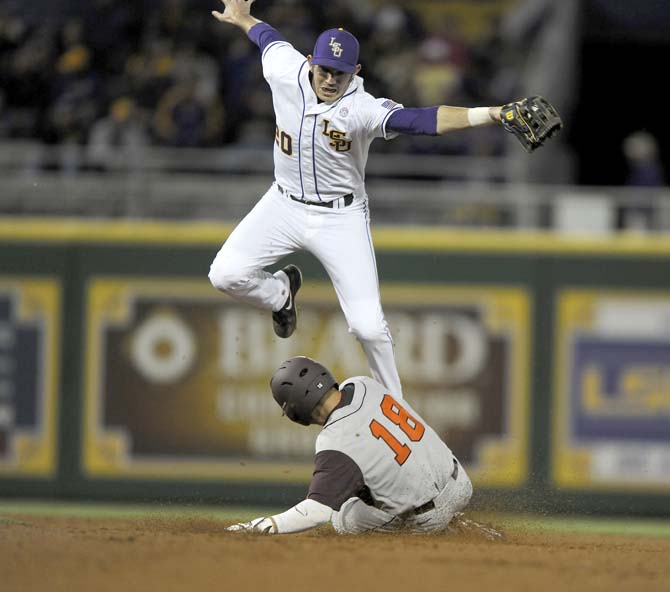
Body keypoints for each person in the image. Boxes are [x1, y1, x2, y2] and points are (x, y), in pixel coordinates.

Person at [208, 0, 506, 398]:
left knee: (367, 327)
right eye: (325, 70)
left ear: (356, 73)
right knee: (224, 274)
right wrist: (243, 18)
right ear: (311, 61)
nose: (330, 80)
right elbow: (268, 38)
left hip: (340, 217)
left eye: (341, 73)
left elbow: (423, 120)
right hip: (282, 204)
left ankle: (396, 409)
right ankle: (279, 294)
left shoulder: (361, 107)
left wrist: (493, 113)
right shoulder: (286, 70)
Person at [226, 356, 472, 535]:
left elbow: (317, 511)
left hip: (426, 520)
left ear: (295, 410)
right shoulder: (363, 384)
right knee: (369, 480)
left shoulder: (334, 441)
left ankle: (441, 529)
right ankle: (463, 526)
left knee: (342, 517)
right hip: (460, 481)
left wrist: (265, 525)